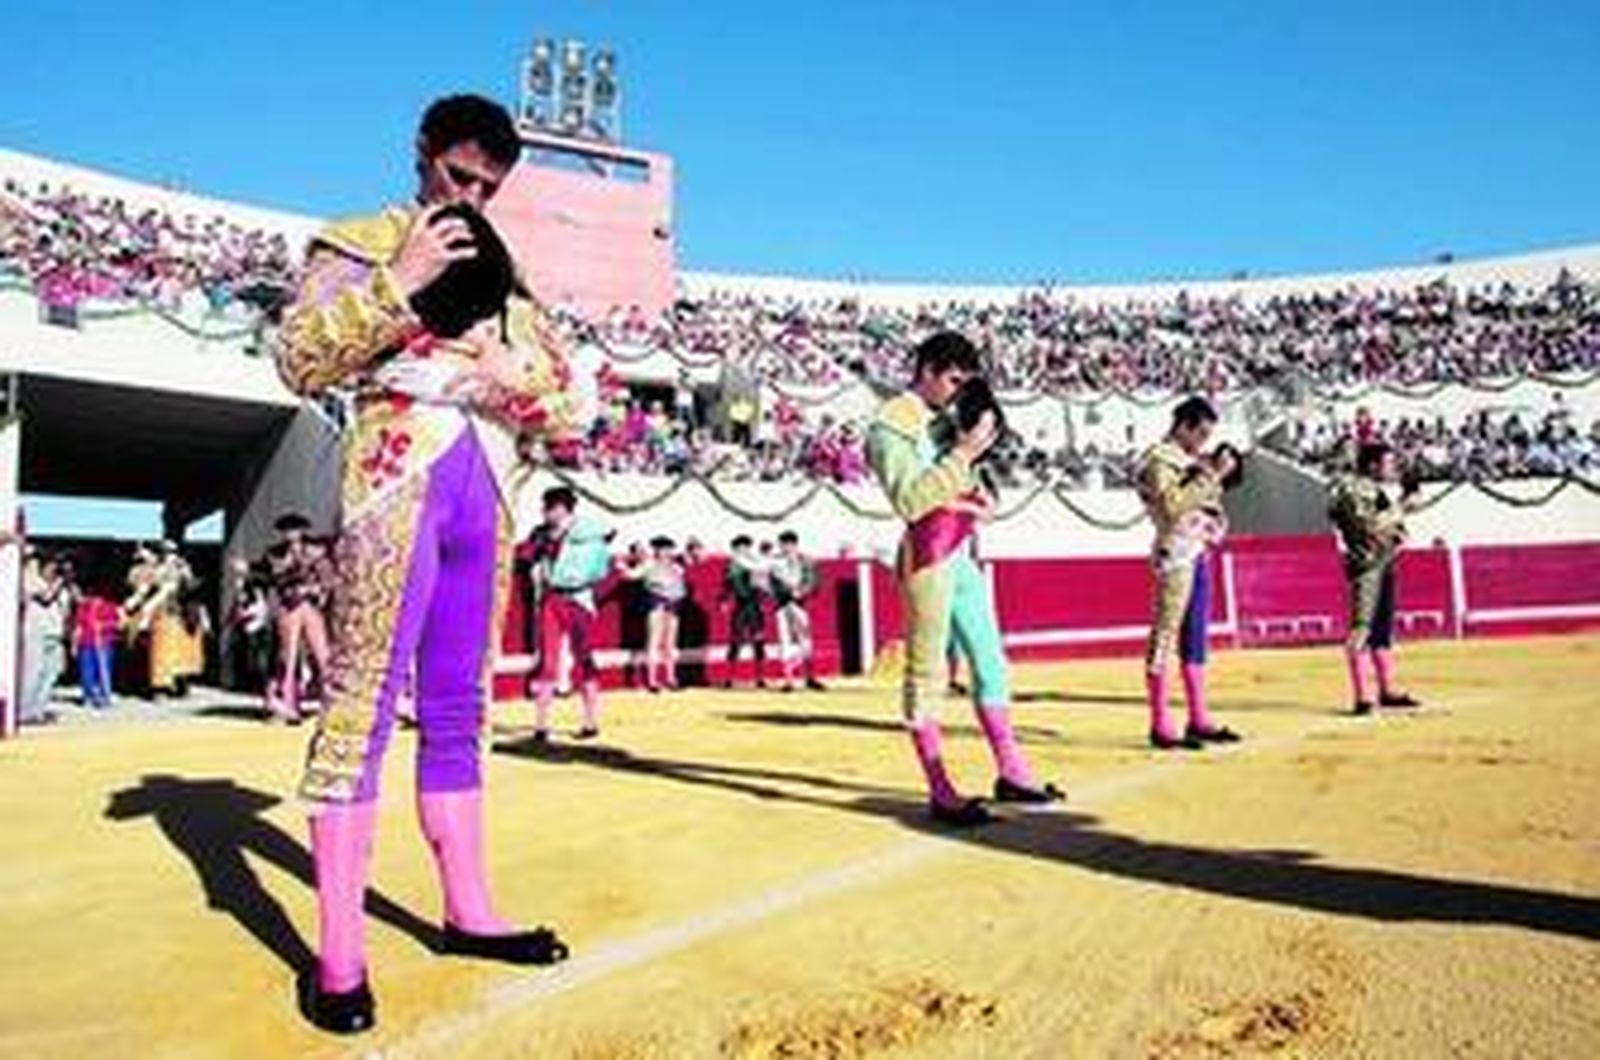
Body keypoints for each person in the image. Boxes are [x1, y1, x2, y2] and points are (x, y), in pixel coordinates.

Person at [275, 93, 575, 1034]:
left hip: (484, 492)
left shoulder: (510, 276)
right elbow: (298, 358)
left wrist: (489, 370)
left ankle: (468, 910)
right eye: (459, 176)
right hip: (394, 482)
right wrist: (396, 285)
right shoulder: (361, 240)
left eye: (489, 184)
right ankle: (339, 954)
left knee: (461, 704)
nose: (474, 196)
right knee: (361, 700)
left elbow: (566, 406)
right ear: (422, 154)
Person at [866, 332, 1061, 827]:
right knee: (926, 672)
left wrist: (980, 491)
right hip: (928, 555)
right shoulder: (891, 426)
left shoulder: (942, 422)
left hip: (958, 553)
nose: (956, 392)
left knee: (991, 660)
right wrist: (966, 451)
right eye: (952, 379)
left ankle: (1012, 771)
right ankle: (940, 789)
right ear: (927, 369)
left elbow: (964, 485)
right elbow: (911, 501)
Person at [1136, 398, 1243, 750]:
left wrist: (1215, 515)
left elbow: (1206, 503)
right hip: (1175, 554)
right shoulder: (1160, 459)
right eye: (1200, 433)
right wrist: (1212, 475)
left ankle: (1198, 717)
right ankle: (1161, 723)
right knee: (1166, 636)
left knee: (1195, 637)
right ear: (1183, 425)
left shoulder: (1188, 462)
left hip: (1195, 551)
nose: (1203, 441)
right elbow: (1170, 506)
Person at [1329, 442, 1423, 715]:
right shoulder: (1352, 489)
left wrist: (1401, 513)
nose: (1392, 468)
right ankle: (1362, 697)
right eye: (1388, 463)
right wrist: (1402, 506)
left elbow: (1393, 529)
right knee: (1362, 627)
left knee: (1381, 628)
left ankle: (1386, 689)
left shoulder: (1373, 491)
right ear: (1372, 465)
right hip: (1367, 565)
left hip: (1385, 561)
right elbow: (1369, 526)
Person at [524, 486, 612, 740]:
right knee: (548, 659)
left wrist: (576, 578)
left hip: (578, 598)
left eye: (548, 507)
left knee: (584, 658)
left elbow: (600, 569)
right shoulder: (541, 534)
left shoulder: (589, 533)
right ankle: (541, 725)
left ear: (562, 508)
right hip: (551, 599)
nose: (544, 512)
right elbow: (528, 555)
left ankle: (591, 721)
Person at [263, 515, 335, 722]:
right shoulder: (275, 554)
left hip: (310, 607)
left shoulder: (316, 551)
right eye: (286, 530)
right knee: (287, 655)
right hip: (289, 607)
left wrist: (317, 591)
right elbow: (272, 579)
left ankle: (330, 703)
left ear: (302, 530)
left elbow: (328, 579)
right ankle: (284, 704)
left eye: (294, 529)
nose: (290, 534)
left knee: (322, 654)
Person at [770, 530, 825, 692]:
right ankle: (788, 679)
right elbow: (772, 584)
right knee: (784, 640)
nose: (784, 548)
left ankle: (810, 676)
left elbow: (814, 582)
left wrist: (801, 592)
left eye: (786, 545)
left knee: (805, 640)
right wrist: (786, 592)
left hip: (800, 604)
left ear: (793, 544)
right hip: (782, 605)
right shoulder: (776, 563)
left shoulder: (806, 561)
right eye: (782, 545)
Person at [21, 551, 69, 725]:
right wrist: (60, 583)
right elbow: (46, 597)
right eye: (50, 565)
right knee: (33, 673)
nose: (53, 569)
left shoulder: (61, 587)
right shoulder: (30, 580)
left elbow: (65, 610)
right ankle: (24, 712)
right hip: (35, 632)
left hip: (55, 633)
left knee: (51, 673)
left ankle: (38, 711)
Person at [637, 536, 686, 691]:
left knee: (671, 643)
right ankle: (652, 680)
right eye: (663, 549)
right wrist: (623, 568)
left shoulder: (676, 567)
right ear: (656, 550)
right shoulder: (649, 564)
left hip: (673, 605)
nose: (666, 552)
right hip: (656, 604)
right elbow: (633, 575)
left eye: (668, 549)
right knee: (654, 641)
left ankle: (671, 678)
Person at [722, 535, 768, 688]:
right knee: (736, 640)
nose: (742, 550)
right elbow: (727, 586)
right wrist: (724, 600)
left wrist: (765, 599)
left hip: (755, 605)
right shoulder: (732, 566)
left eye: (745, 547)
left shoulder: (755, 563)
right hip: (741, 605)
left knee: (758, 641)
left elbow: (764, 585)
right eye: (739, 547)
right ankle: (729, 677)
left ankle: (760, 677)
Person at [73, 579, 121, 708]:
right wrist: (74, 644)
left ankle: (103, 694)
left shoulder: (110, 605)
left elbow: (118, 624)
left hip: (104, 643)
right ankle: (88, 695)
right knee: (87, 671)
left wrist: (104, 626)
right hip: (87, 642)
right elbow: (79, 625)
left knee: (104, 670)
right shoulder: (84, 606)